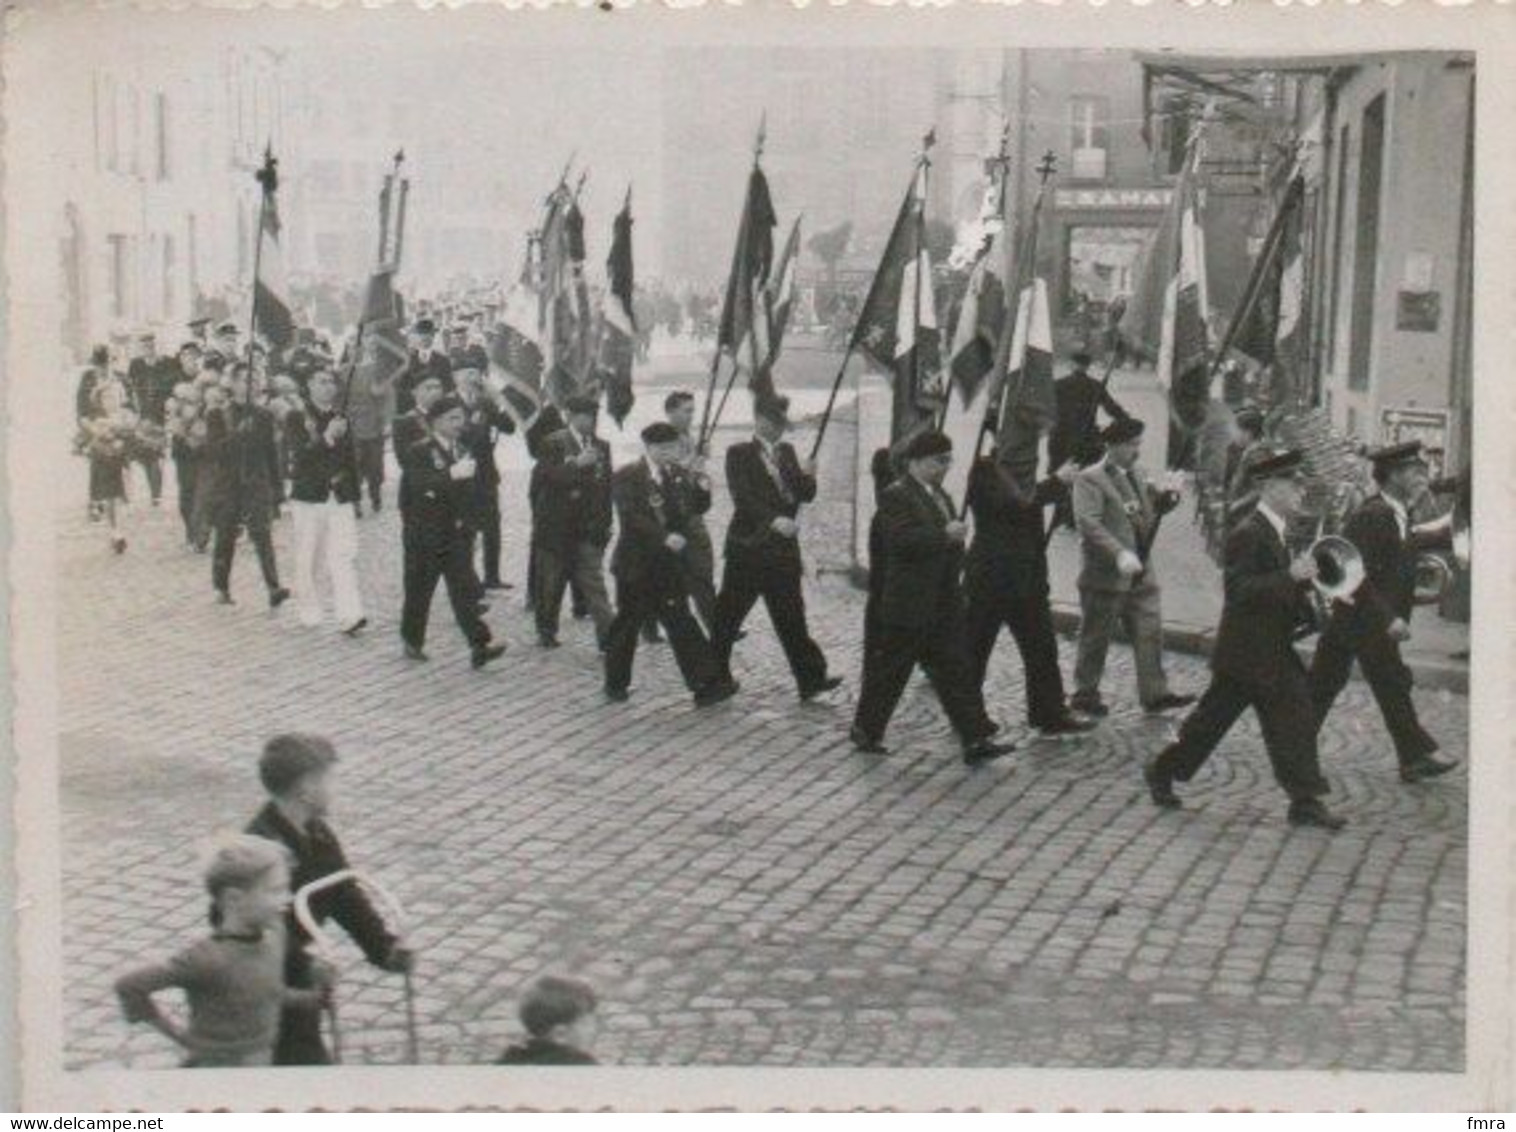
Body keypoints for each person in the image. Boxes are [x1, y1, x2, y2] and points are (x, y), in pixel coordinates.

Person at [1143, 449, 1347, 830]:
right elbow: (1239, 590)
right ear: (1268, 487)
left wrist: (1306, 597)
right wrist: (1291, 577)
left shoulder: (1277, 530)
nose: (1299, 492)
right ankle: (1162, 770)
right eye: (1292, 484)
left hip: (1269, 650)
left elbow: (1276, 588)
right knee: (1210, 723)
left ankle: (1305, 800)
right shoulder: (1249, 532)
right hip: (1246, 653)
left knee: (1295, 718)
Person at [850, 429, 1015, 766]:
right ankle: (866, 729)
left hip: (942, 602)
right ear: (915, 462)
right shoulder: (896, 495)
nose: (945, 467)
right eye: (939, 461)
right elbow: (901, 541)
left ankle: (975, 739)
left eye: (948, 460)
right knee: (891, 672)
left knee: (957, 671)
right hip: (909, 603)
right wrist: (944, 535)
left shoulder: (939, 495)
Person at [245, 734, 412, 1065]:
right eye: (328, 779)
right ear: (306, 788)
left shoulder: (318, 833)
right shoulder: (258, 848)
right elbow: (249, 927)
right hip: (262, 986)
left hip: (297, 981)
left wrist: (384, 949)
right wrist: (306, 964)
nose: (334, 789)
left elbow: (344, 894)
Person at [1309, 441, 1459, 784]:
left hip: (1368, 624)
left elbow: (1397, 561)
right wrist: (1388, 617)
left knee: (1391, 685)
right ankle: (1294, 753)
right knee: (1324, 688)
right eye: (1413, 471)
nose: (1422, 476)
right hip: (1354, 621)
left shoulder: (1398, 513)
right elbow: (1352, 573)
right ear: (1392, 476)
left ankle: (1414, 757)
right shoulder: (1373, 515)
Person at [115, 834, 332, 1068]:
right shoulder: (207, 959)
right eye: (276, 890)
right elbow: (129, 986)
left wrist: (314, 995)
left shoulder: (274, 935)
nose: (288, 898)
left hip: (264, 1063)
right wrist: (179, 1036)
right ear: (234, 899)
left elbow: (267, 991)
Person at [711, 393, 842, 701]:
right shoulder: (739, 453)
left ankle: (810, 678)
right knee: (729, 615)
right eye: (773, 422)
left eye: (782, 422)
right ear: (758, 420)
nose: (779, 429)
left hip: (782, 551)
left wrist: (810, 475)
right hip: (748, 548)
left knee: (792, 616)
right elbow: (743, 497)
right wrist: (773, 520)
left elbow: (803, 494)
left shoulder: (787, 452)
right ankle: (714, 675)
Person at [603, 422, 737, 707]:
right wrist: (663, 537)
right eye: (662, 448)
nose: (668, 453)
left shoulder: (677, 475)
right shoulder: (628, 475)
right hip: (636, 565)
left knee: (681, 621)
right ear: (648, 447)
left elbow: (694, 509)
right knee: (628, 623)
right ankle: (615, 683)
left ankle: (706, 682)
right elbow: (630, 517)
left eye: (672, 447)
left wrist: (701, 485)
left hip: (667, 567)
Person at [963, 447, 1095, 737]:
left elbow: (1032, 523)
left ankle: (1049, 712)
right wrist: (1054, 484)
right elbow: (1011, 505)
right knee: (975, 649)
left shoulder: (1026, 473)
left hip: (1027, 580)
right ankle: (967, 715)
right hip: (991, 579)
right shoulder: (986, 469)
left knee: (1042, 649)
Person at [1069, 418, 1193, 717]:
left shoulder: (1138, 473)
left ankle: (1155, 693)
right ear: (1111, 446)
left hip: (1141, 568)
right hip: (1107, 572)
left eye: (1138, 444)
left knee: (1150, 629)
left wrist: (1170, 496)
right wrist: (1118, 554)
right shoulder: (1089, 478)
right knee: (1096, 635)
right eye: (1130, 445)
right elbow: (1088, 522)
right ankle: (1085, 693)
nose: (1137, 451)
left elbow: (1151, 512)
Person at [398, 395, 506, 669]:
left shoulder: (463, 448)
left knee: (464, 591)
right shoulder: (420, 451)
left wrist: (473, 528)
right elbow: (419, 488)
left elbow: (472, 495)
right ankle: (412, 639)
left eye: (462, 417)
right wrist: (450, 475)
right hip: (425, 534)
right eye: (453, 418)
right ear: (436, 422)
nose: (460, 424)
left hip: (456, 534)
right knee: (420, 590)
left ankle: (480, 644)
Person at [200, 364, 290, 608]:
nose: (251, 385)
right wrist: (238, 434)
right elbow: (213, 453)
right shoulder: (218, 415)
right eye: (245, 380)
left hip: (256, 484)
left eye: (255, 380)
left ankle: (274, 587)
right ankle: (221, 587)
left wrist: (277, 490)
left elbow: (271, 454)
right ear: (233, 384)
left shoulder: (264, 416)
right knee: (226, 537)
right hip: (228, 486)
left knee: (263, 535)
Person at [285, 369, 366, 635]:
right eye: (321, 381)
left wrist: (354, 495)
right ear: (308, 385)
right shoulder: (297, 417)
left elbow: (350, 458)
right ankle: (309, 609)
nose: (328, 387)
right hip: (309, 496)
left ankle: (350, 614)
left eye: (332, 382)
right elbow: (298, 458)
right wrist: (328, 437)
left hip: (339, 494)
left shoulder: (341, 418)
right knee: (309, 555)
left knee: (344, 554)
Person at [531, 395, 615, 650]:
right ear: (571, 416)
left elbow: (606, 487)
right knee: (552, 584)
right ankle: (546, 629)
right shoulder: (553, 443)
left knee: (595, 586)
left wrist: (606, 522)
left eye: (593, 416)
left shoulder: (602, 446)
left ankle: (609, 638)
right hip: (557, 528)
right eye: (584, 416)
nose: (590, 421)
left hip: (588, 529)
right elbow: (546, 479)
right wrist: (576, 466)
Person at [1049, 351, 1130, 529]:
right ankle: (1079, 517)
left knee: (1060, 475)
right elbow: (1116, 412)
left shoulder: (1058, 385)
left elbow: (1048, 411)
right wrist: (1112, 429)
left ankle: (1060, 517)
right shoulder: (1095, 386)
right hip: (1087, 438)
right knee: (1084, 479)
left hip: (1060, 438)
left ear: (1071, 364)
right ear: (1087, 366)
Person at [659, 391, 718, 631]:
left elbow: (695, 475)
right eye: (687, 411)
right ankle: (653, 624)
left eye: (693, 411)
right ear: (671, 412)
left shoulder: (688, 437)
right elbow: (669, 472)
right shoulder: (663, 437)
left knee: (701, 569)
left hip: (692, 512)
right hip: (671, 516)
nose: (691, 416)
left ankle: (716, 626)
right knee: (668, 576)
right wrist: (697, 459)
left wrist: (701, 459)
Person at [455, 367, 517, 591]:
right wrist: (473, 419)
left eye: (476, 373)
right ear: (456, 377)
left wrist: (498, 401)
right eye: (467, 373)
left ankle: (492, 576)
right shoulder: (450, 404)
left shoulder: (486, 402)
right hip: (461, 475)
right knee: (467, 529)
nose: (473, 378)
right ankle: (467, 580)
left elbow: (509, 427)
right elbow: (459, 437)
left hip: (487, 473)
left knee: (492, 527)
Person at [345, 334, 401, 516]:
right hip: (351, 426)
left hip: (374, 425)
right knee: (354, 465)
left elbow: (388, 397)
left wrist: (387, 422)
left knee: (375, 465)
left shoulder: (376, 371)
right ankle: (355, 502)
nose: (354, 351)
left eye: (357, 348)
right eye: (350, 348)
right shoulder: (342, 372)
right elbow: (336, 399)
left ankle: (375, 494)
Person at [496, 976, 598, 1066]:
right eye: (585, 1023)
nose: (593, 1030)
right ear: (560, 1034)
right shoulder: (581, 1067)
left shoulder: (507, 1063)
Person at [127, 332, 171, 506]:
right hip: (142, 414)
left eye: (152, 345)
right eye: (145, 346)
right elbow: (130, 388)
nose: (149, 349)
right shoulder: (135, 365)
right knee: (144, 454)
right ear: (140, 348)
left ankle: (156, 495)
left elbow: (171, 385)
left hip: (159, 415)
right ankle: (154, 492)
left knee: (156, 453)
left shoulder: (165, 363)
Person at [397, 318, 453, 414]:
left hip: (437, 409)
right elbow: (402, 386)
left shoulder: (443, 360)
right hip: (413, 409)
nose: (425, 337)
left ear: (433, 336)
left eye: (429, 334)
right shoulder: (406, 359)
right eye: (421, 334)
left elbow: (448, 386)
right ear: (416, 337)